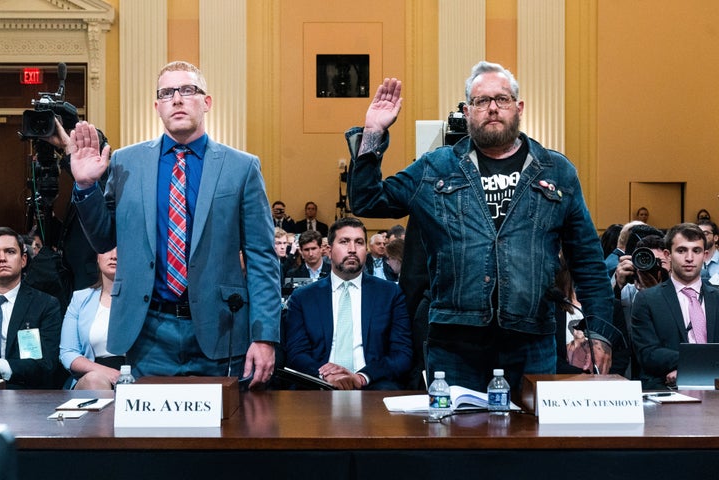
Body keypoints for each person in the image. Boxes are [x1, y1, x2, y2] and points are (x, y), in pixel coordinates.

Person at [345, 61, 617, 392]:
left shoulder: (556, 171)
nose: (492, 108)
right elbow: (367, 201)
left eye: (501, 99)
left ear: (518, 108)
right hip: (455, 343)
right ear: (466, 110)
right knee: (456, 439)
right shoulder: (436, 167)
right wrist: (373, 133)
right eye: (481, 101)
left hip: (532, 341)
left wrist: (599, 333)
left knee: (532, 438)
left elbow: (588, 262)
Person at [69, 61, 279, 387]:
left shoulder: (242, 167)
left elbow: (262, 258)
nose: (177, 99)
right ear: (157, 107)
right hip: (149, 329)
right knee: (153, 437)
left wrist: (265, 337)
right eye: (167, 93)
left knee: (224, 434)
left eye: (187, 90)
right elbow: (102, 239)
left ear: (206, 102)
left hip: (220, 329)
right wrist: (85, 187)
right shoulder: (126, 162)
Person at [285, 217, 412, 390]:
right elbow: (295, 353)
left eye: (359, 242)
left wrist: (362, 377)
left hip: (373, 383)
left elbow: (402, 354)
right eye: (344, 242)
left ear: (365, 249)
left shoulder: (389, 294)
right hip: (319, 384)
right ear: (328, 250)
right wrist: (326, 376)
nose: (352, 249)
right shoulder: (303, 297)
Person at [631, 223, 719, 390]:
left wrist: (689, 367)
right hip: (666, 389)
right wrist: (697, 365)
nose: (689, 258)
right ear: (668, 254)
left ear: (705, 255)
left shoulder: (717, 298)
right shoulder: (647, 300)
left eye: (696, 251)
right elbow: (648, 353)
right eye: (681, 250)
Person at [0, 227, 62, 389]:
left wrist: (2, 366)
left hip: (24, 394)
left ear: (23, 260)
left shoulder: (46, 305)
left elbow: (47, 365)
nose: (2, 258)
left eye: (10, 252)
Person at [60, 248, 125, 389]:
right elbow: (68, 352)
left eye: (120, 249)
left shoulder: (144, 301)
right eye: (107, 250)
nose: (114, 256)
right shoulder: (80, 298)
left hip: (136, 375)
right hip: (92, 376)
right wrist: (107, 372)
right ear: (97, 256)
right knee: (95, 380)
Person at [698, 219, 719, 285]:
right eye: (698, 234)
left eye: (705, 233)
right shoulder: (691, 261)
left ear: (715, 238)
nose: (701, 237)